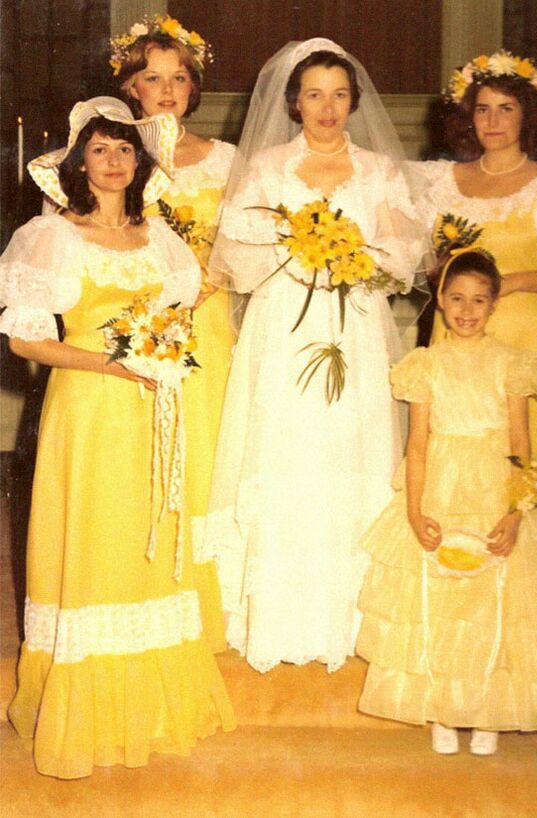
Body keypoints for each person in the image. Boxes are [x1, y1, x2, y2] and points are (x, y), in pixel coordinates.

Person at [1, 97, 235, 779]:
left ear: (141, 163)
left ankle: (151, 708)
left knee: (145, 539)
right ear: (78, 164)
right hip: (88, 412)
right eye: (99, 150)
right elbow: (26, 340)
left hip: (153, 411)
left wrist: (162, 358)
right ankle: (84, 715)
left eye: (124, 149)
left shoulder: (159, 237)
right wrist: (111, 363)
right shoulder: (52, 236)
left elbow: (178, 318)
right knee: (95, 539)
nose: (112, 161)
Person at [201, 38, 428, 673]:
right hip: (284, 326)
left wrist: (352, 259)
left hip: (353, 326)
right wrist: (296, 253)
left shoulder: (379, 171)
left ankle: (352, 616)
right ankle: (279, 616)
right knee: (287, 451)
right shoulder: (267, 168)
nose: (327, 108)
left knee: (350, 451)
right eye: (314, 95)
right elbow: (235, 258)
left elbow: (404, 257)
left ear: (354, 102)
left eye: (339, 95)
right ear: (294, 103)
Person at [357, 250, 537, 756]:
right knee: (443, 600)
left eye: (479, 300)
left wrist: (516, 513)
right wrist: (414, 511)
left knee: (495, 598)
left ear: (494, 304)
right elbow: (418, 445)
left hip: (494, 486)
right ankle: (444, 708)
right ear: (441, 301)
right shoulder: (425, 365)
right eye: (457, 299)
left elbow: (522, 446)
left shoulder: (512, 363)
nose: (467, 310)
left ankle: (490, 710)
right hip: (441, 485)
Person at [414, 50, 537, 645]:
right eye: (483, 110)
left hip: (524, 335)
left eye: (506, 109)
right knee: (460, 461)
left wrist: (508, 283)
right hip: (458, 339)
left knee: (530, 458)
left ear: (528, 117)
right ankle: (462, 615)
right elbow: (426, 265)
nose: (493, 121)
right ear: (467, 118)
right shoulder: (441, 183)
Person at [112, 14, 236, 652]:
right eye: (152, 78)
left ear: (193, 87)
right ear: (130, 87)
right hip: (142, 327)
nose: (166, 90)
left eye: (178, 78)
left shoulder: (226, 160)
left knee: (206, 451)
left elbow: (251, 243)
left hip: (208, 326)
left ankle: (210, 612)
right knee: (139, 456)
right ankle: (148, 596)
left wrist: (210, 279)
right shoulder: (112, 156)